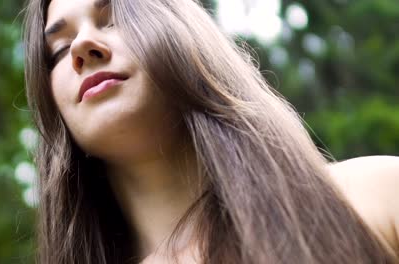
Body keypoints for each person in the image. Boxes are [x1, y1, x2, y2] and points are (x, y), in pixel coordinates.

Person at [22, 0, 399, 263]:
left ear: (184, 36)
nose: (83, 46)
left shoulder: (375, 197)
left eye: (114, 18)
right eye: (58, 49)